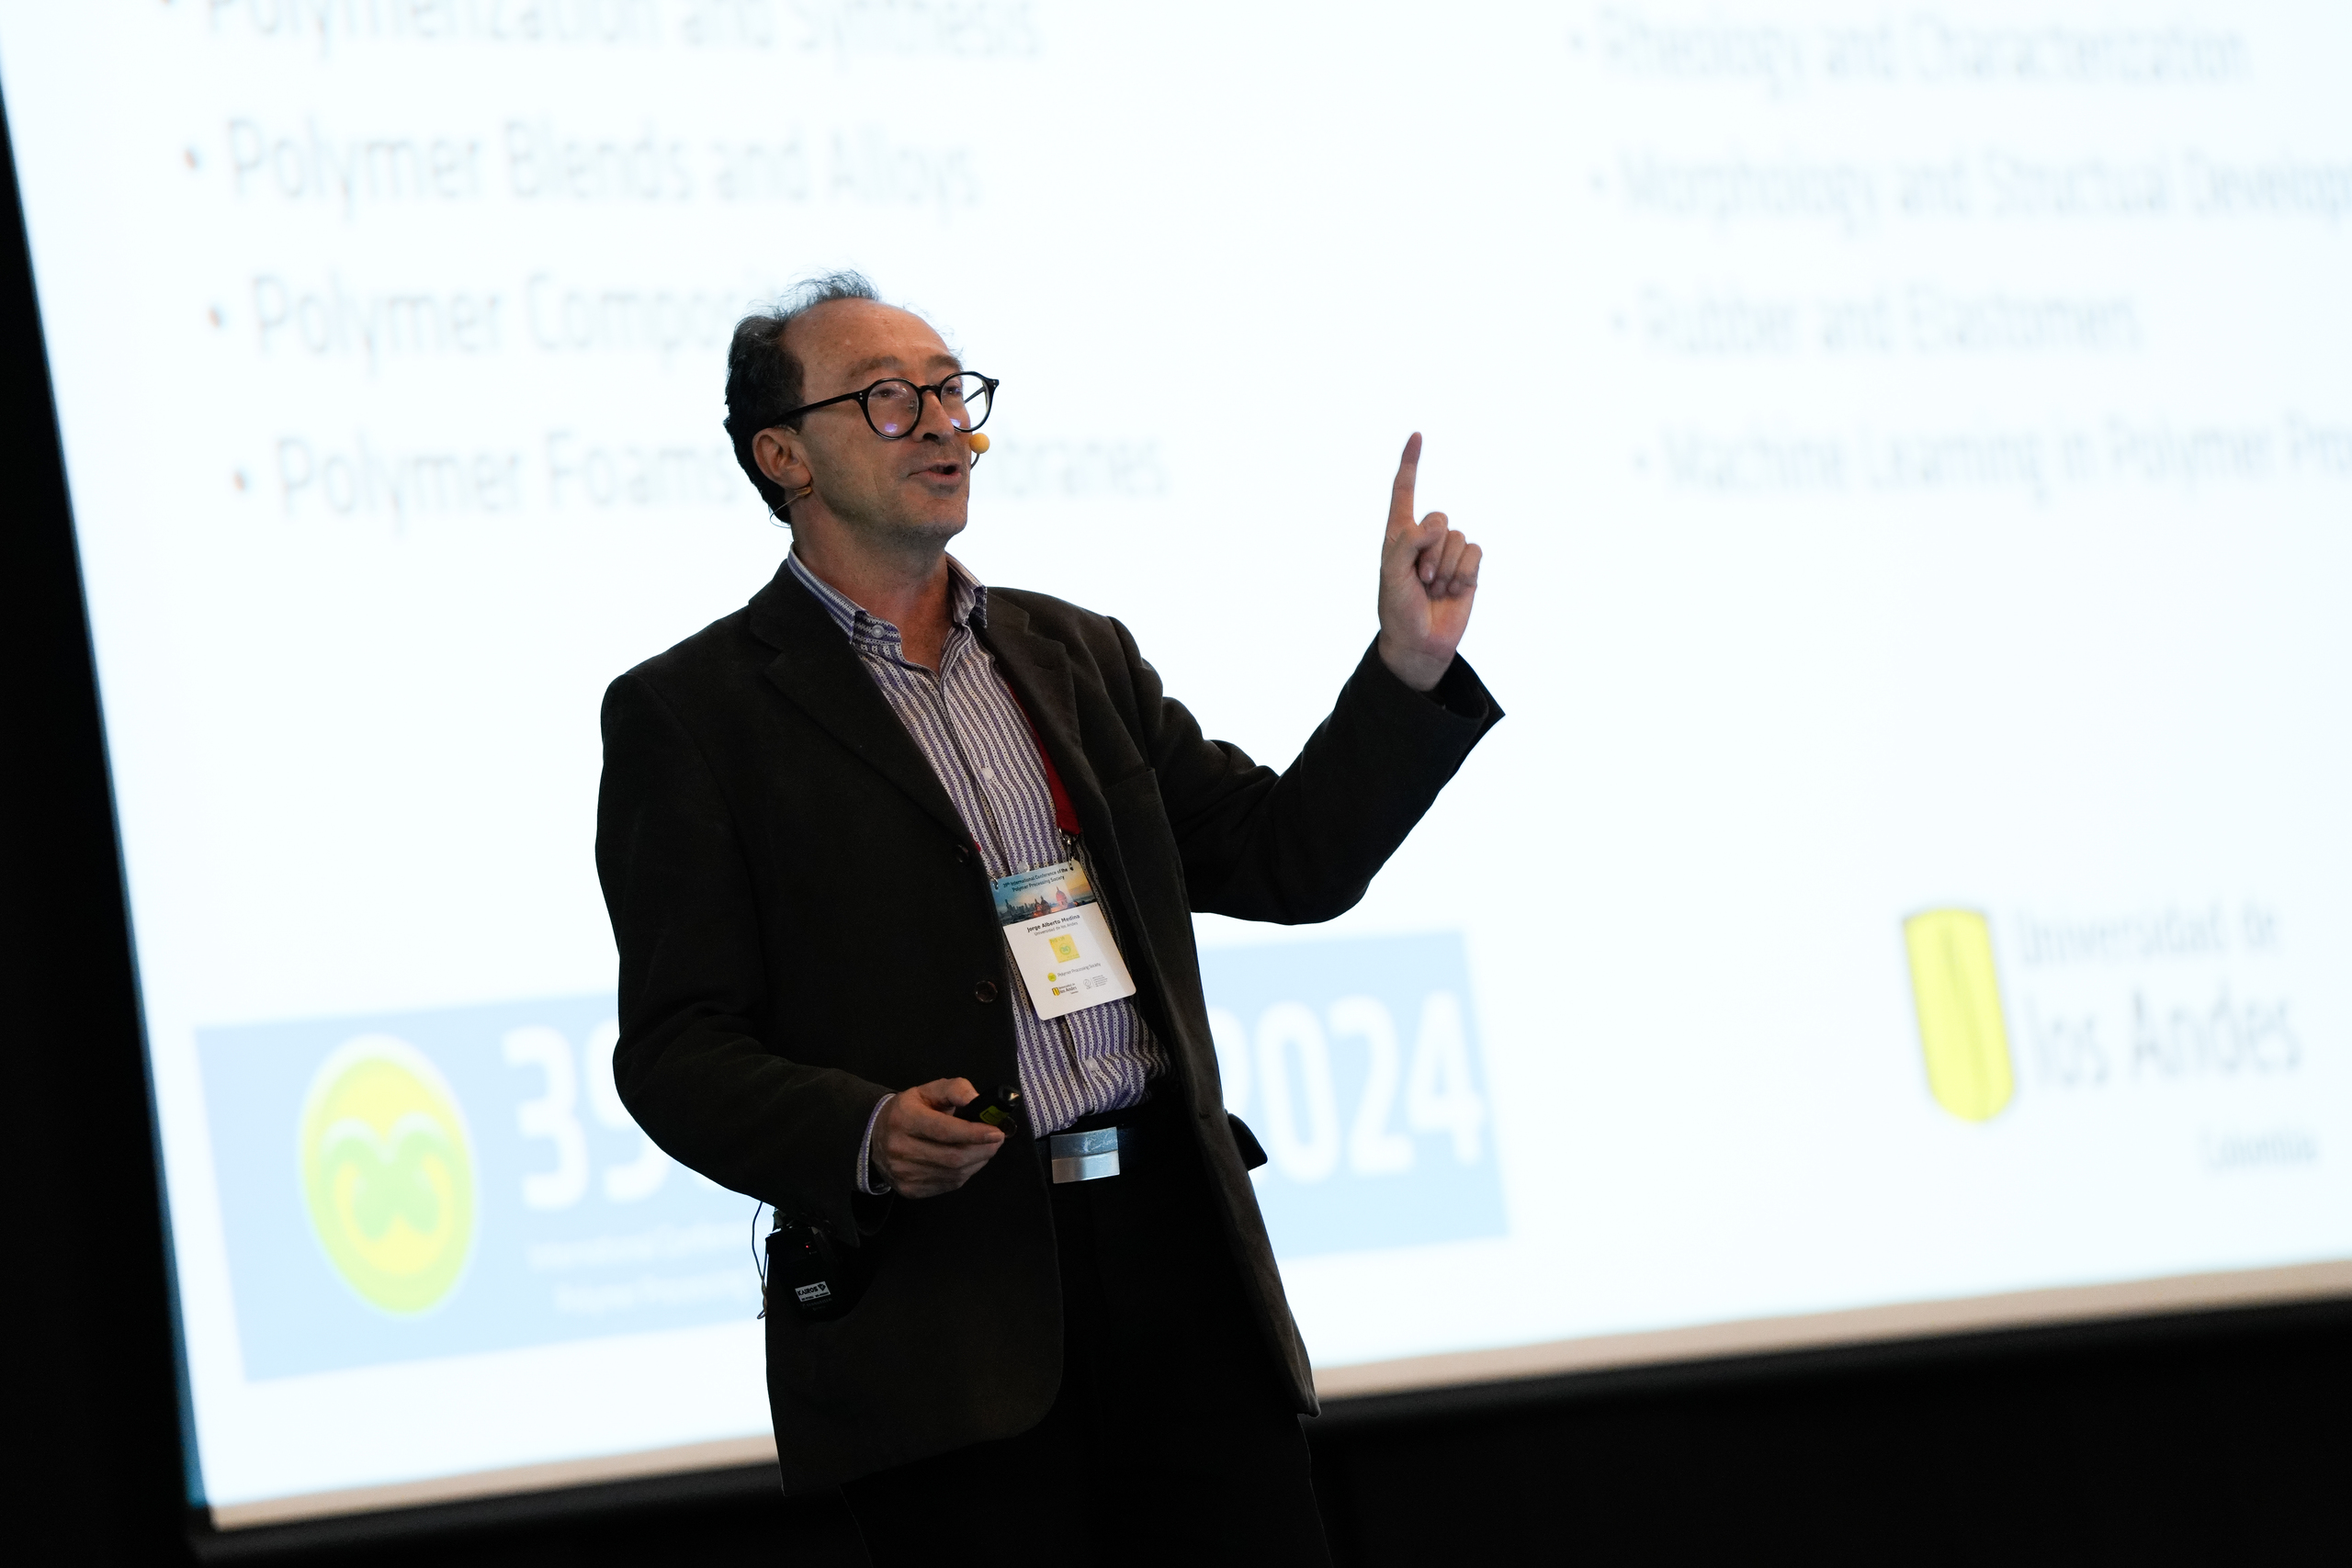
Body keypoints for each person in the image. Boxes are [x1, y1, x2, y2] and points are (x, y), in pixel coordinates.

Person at [595, 272, 1499, 1563]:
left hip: (1180, 1268)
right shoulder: (694, 715)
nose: (941, 423)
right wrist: (862, 1132)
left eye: (952, 391)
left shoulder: (1074, 655)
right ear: (781, 456)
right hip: (951, 1311)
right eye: (888, 398)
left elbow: (1286, 860)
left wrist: (1408, 668)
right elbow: (676, 1048)